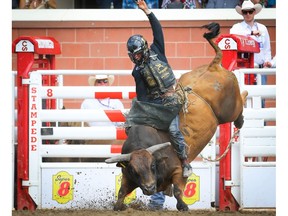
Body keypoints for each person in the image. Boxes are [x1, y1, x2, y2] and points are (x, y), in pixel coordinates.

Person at [230, 0, 271, 85]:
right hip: (244, 70)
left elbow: (267, 49)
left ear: (254, 12)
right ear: (242, 13)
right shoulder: (237, 27)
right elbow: (233, 36)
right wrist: (251, 33)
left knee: (262, 96)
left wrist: (267, 62)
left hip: (260, 69)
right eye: (245, 12)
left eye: (250, 11)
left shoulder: (262, 28)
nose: (248, 14)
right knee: (245, 96)